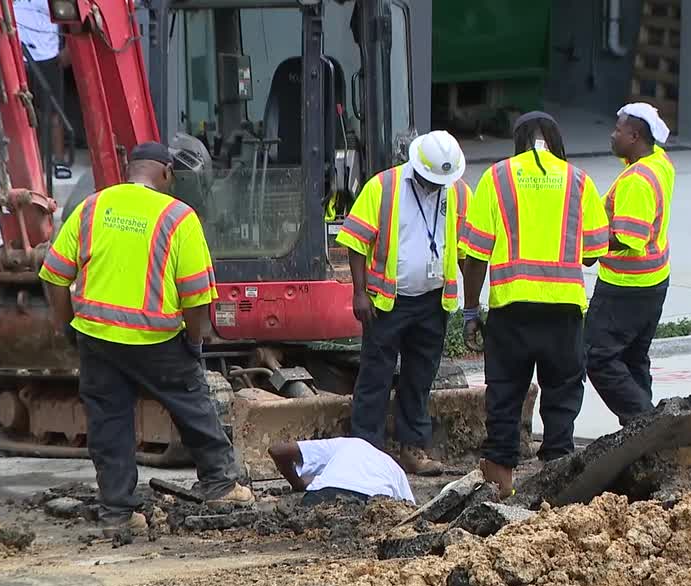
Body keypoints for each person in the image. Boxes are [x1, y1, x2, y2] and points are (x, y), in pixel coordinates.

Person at [38, 141, 251, 536]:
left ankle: (119, 512)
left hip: (98, 338)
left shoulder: (92, 207)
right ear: (167, 173)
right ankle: (221, 484)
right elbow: (195, 294)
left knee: (109, 423)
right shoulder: (178, 217)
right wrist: (194, 341)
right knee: (193, 404)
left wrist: (65, 326)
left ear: (128, 169)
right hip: (158, 339)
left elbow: (53, 273)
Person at [460, 111, 610, 495]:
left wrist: (472, 310)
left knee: (505, 394)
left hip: (512, 310)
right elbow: (594, 254)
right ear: (557, 140)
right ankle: (557, 476)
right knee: (562, 392)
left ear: (518, 140)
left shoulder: (498, 177)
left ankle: (499, 486)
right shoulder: (578, 181)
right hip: (563, 310)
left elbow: (475, 253)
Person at [335, 130, 471, 475]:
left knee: (420, 376)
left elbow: (468, 245)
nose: (434, 186)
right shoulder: (384, 187)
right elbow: (355, 240)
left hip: (433, 300)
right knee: (375, 374)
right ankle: (367, 451)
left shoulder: (456, 191)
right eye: (429, 180)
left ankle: (413, 448)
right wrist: (359, 291)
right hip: (387, 303)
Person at [585, 103, 675, 425]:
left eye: (618, 129)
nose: (612, 134)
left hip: (625, 288)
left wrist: (588, 245)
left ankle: (646, 424)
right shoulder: (657, 162)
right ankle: (644, 441)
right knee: (634, 359)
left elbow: (630, 237)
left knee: (598, 356)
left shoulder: (637, 180)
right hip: (652, 283)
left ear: (635, 135)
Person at [267, 437, 416, 507]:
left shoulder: (348, 444)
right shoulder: (397, 471)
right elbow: (412, 512)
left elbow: (277, 450)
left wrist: (297, 483)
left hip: (320, 498)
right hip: (371, 504)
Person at [14, 0, 71, 179]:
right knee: (26, 112)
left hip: (47, 54)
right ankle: (34, 162)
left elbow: (73, 18)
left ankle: (59, 160)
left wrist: (69, 50)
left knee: (54, 113)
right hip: (18, 54)